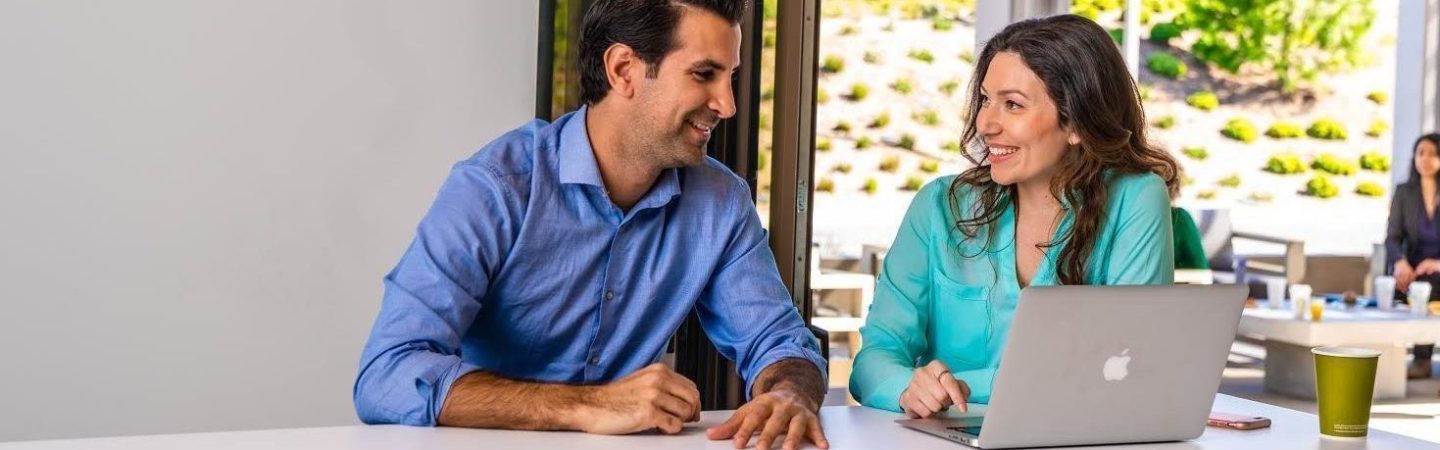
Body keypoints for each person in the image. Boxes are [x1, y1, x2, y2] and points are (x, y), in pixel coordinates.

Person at [353, 1, 831, 449]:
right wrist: (589, 406)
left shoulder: (721, 204)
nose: (726, 104)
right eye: (704, 74)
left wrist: (790, 393)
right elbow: (387, 374)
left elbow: (781, 343)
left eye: (730, 77)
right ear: (623, 70)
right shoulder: (497, 187)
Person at [848, 14, 1181, 417]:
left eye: (1012, 105)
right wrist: (905, 388)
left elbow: (1130, 363)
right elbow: (874, 359)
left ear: (1077, 120)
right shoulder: (938, 207)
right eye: (986, 100)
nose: (985, 123)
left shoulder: (1135, 198)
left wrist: (965, 384)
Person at [1384, 132, 1440, 382]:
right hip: (1412, 266)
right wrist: (1399, 263)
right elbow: (1392, 237)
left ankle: (1422, 359)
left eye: (1432, 153)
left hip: (1437, 268)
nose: (1425, 159)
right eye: (1420, 153)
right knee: (1396, 284)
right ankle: (1387, 359)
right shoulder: (1404, 192)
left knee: (1432, 284)